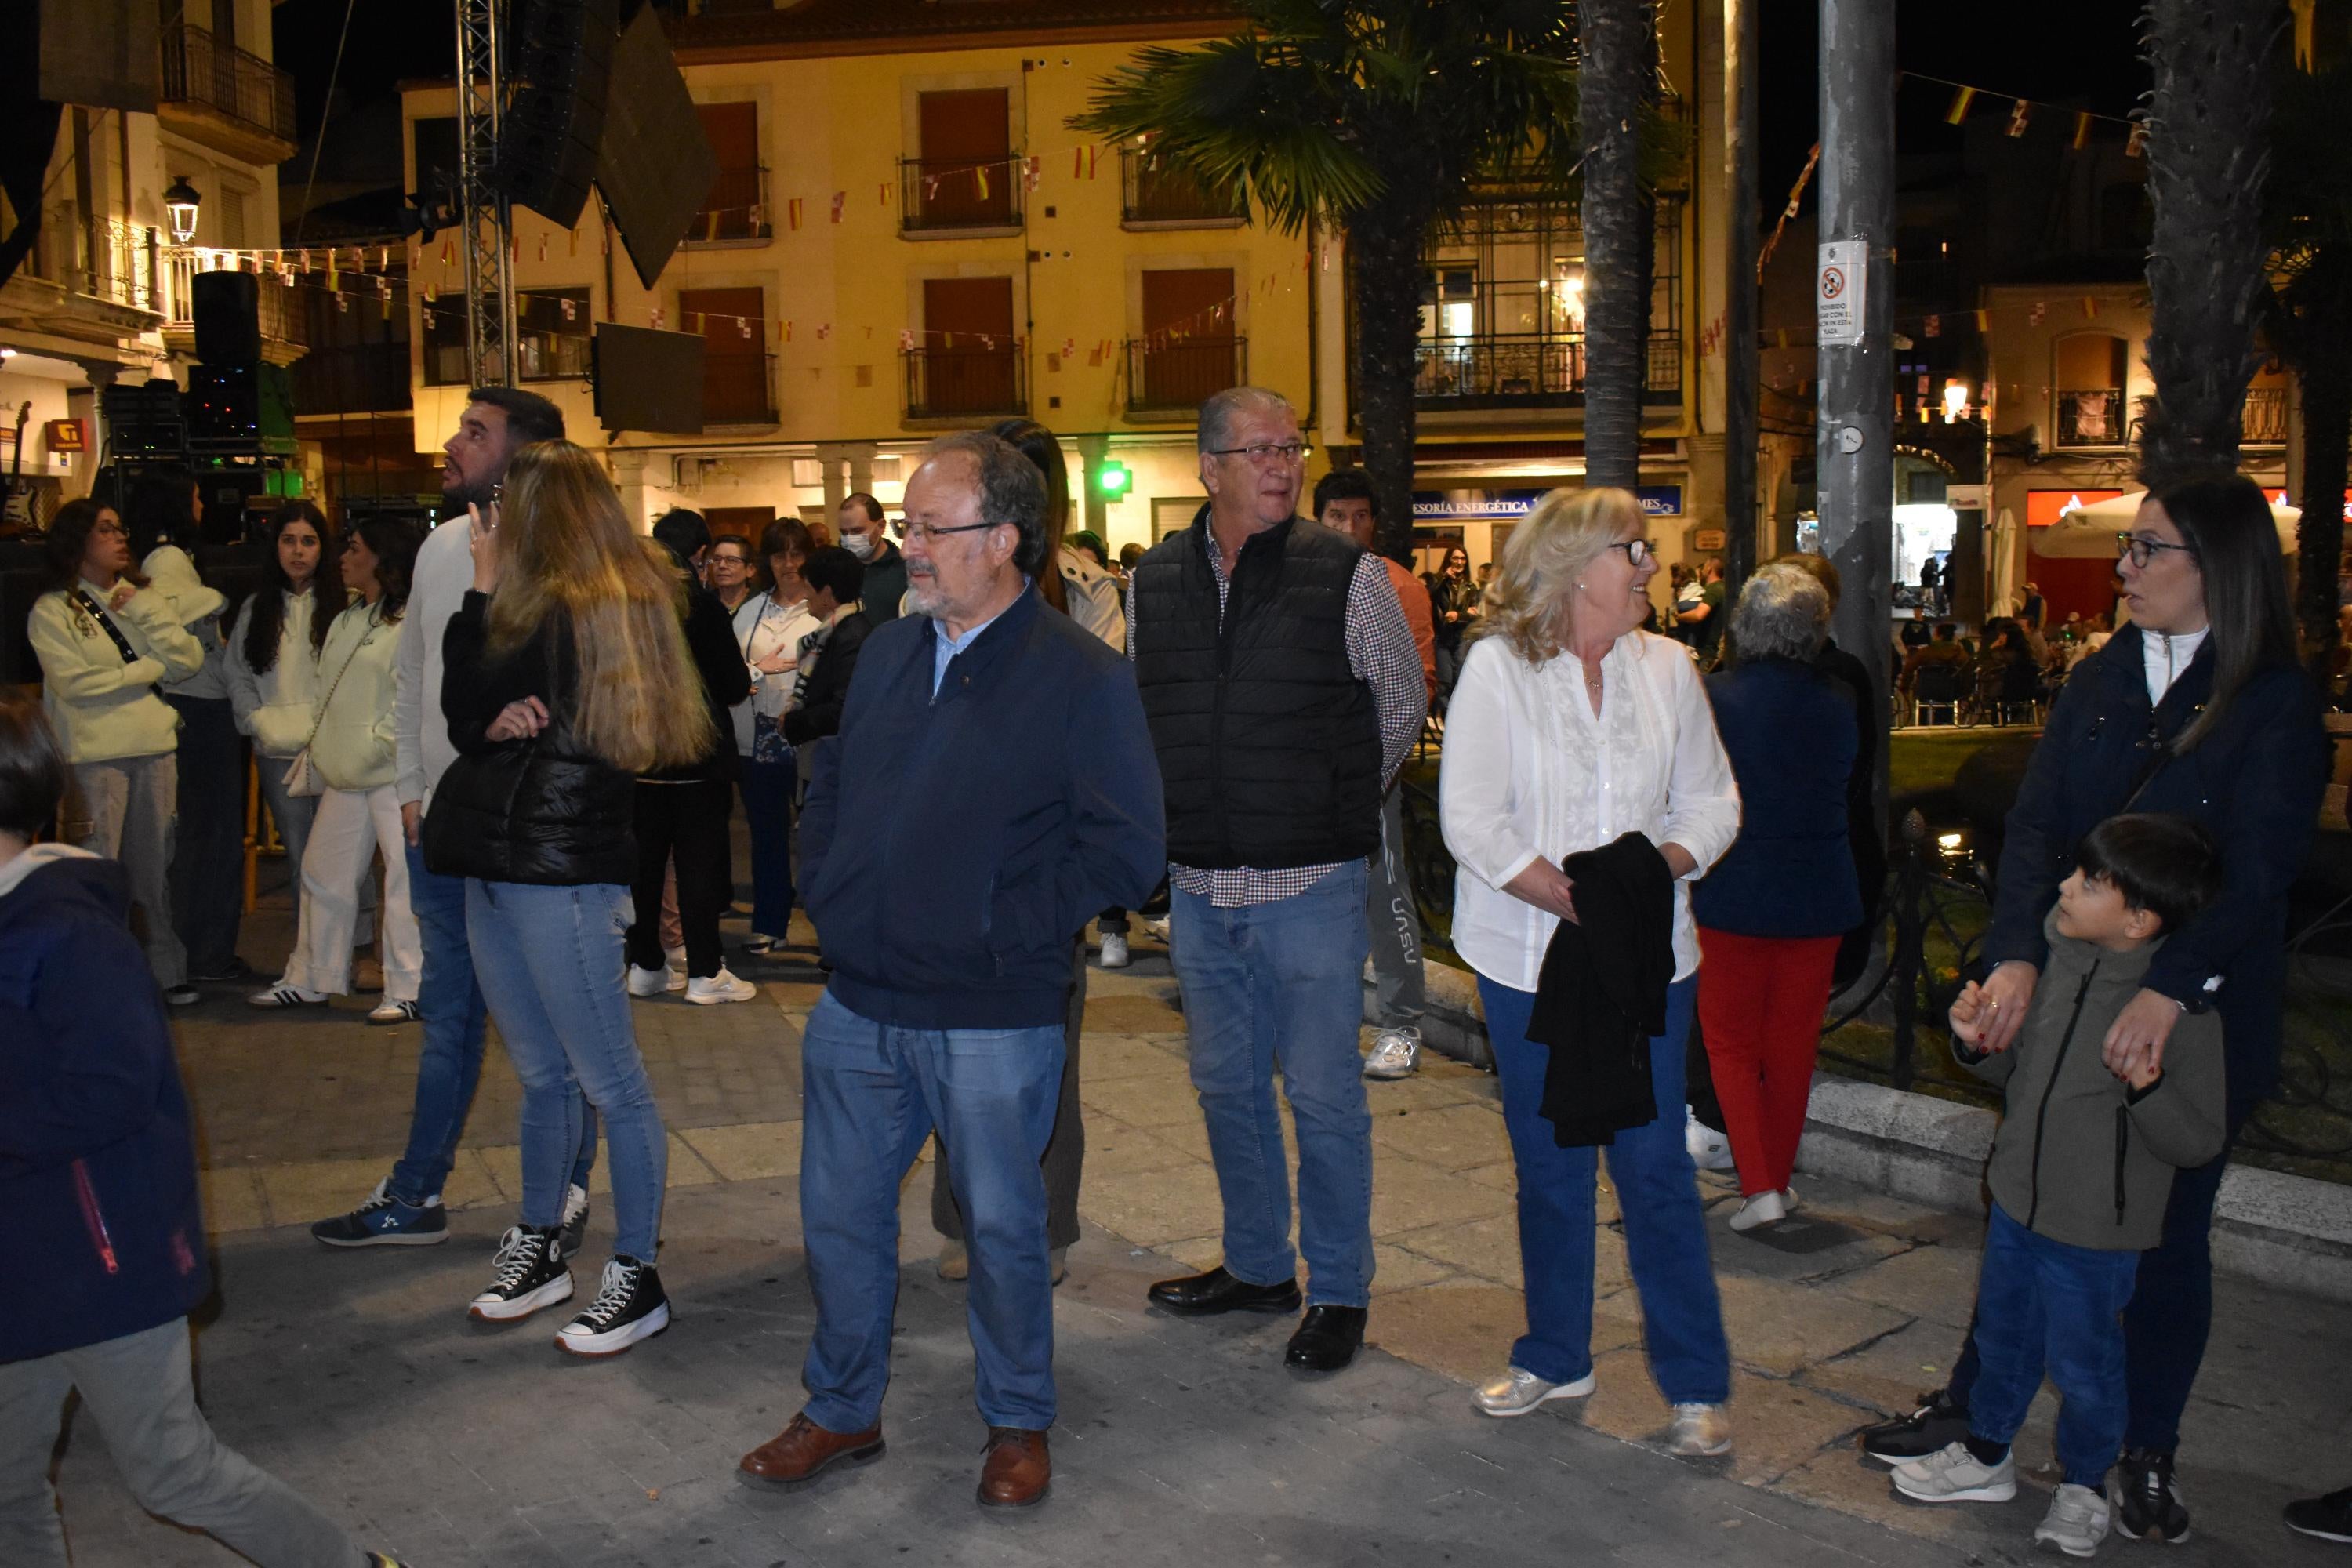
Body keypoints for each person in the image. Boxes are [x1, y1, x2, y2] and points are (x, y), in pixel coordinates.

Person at [1859, 474, 2330, 1544]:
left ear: (2218, 565)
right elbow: (2036, 831)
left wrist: (2170, 992)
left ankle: (2142, 1452)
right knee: (2023, 1209)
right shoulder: (2105, 676)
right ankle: (1978, 1418)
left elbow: (2258, 875)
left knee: (2167, 1243)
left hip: (2192, 1018)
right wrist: (2015, 958)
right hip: (2067, 1011)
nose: (2124, 568)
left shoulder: (2271, 700)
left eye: (2148, 549)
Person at [736, 434, 1163, 1508]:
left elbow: (1128, 851)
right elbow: (828, 781)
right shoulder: (882, 652)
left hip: (992, 1011)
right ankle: (840, 1407)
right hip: (858, 1001)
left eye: (933, 529)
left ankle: (1018, 1420)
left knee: (1006, 1231)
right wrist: (828, 888)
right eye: (908, 525)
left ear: (1005, 540)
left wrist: (998, 926)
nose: (906, 547)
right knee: (836, 1218)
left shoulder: (1083, 676)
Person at [0, 698, 402, 1568]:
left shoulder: (63, 932)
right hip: (22, 1255)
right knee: (4, 1487)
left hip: (102, 1263)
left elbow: (111, 1091)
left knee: (172, 1470)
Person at [1128, 387, 1425, 1374]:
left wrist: (1330, 803)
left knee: (1327, 1097)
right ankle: (1260, 1265)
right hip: (1203, 887)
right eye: (1258, 449)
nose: (1282, 465)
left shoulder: (1346, 573)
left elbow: (1399, 699)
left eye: (1290, 447)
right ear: (1208, 466)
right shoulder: (1156, 579)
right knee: (1225, 1088)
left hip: (1310, 886)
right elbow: (1149, 708)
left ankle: (1339, 1287)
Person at [1438, 485, 1740, 1453]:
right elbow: (1473, 820)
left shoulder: (1671, 666)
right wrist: (1577, 899)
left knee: (1654, 1167)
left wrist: (1647, 880)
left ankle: (1696, 1385)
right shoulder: (1497, 669)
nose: (1652, 567)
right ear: (1575, 569)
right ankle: (1556, 1356)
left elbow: (1714, 802)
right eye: (1636, 552)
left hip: (1651, 960)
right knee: (1552, 1166)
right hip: (1526, 960)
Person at [423, 439, 710, 1356]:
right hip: (503, 861)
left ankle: (636, 1271)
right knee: (546, 1076)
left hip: (560, 871)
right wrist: (486, 715)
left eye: (509, 498)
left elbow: (470, 689)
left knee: (608, 1080)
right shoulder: (580, 604)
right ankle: (541, 1244)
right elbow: (470, 714)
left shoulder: (583, 608)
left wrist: (480, 586)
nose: (494, 512)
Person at [309, 387, 597, 1254]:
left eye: (476, 432)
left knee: (556, 1034)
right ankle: (416, 1192)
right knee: (448, 1020)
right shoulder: (439, 547)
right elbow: (412, 677)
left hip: (532, 840)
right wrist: (407, 789)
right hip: (440, 828)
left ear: (527, 454)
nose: (452, 443)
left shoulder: (570, 556)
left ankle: (566, 1191)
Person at [1892, 817, 2224, 1559]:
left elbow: (2197, 1140)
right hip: (2016, 1203)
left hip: (2096, 1230)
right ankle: (1986, 1455)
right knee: (2003, 1340)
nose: (2066, 887)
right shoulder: (2055, 965)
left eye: (2089, 882)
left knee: (2086, 1364)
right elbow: (2020, 1074)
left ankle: (2082, 1482)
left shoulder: (2176, 1012)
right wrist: (1975, 1044)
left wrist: (2148, 1088)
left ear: (2138, 919)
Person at [924, 419, 1124, 1280]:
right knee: (946, 1056)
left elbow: (1101, 721)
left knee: (1043, 1061)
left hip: (1039, 869)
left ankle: (1037, 1230)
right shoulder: (927, 595)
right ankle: (964, 1222)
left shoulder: (1085, 596)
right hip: (950, 869)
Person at [1690, 565, 1859, 1229]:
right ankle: (1777, 1181)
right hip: (1818, 894)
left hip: (1733, 892)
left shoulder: (1713, 698)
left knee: (1730, 1045)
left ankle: (1759, 1186)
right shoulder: (1841, 699)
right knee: (1793, 1049)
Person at [26, 499, 205, 1005]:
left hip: (154, 748)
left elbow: (187, 659)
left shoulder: (138, 600)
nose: (120, 537)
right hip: (94, 755)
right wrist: (145, 671)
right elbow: (77, 683)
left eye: (121, 528)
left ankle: (164, 969)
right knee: (97, 867)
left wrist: (147, 614)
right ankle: (97, 978)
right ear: (78, 541)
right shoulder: (53, 610)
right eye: (105, 530)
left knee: (153, 868)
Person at [247, 517, 425, 1025]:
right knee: (322, 874)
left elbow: (410, 697)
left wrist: (379, 746)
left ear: (381, 559)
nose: (342, 558)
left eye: (354, 548)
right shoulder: (350, 617)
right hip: (347, 773)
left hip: (393, 775)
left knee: (402, 883)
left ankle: (409, 984)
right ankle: (311, 976)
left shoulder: (409, 622)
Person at [1312, 467, 1436, 1080]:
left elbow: (1418, 685)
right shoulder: (1296, 580)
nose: (1350, 528)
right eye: (1338, 516)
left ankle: (1402, 1024)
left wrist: (1374, 770)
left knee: (1385, 894)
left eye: (1361, 516)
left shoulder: (1400, 586)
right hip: (1304, 775)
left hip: (1369, 772)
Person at [626, 510, 757, 1004]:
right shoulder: (701, 609)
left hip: (641, 755)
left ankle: (645, 964)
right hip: (697, 757)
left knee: (645, 866)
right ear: (698, 555)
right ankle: (705, 972)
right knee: (699, 866)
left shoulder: (629, 608)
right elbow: (730, 685)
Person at [125, 467, 246, 985]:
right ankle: (208, 951)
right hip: (200, 707)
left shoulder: (155, 559)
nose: (202, 506)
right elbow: (177, 607)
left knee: (195, 835)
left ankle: (197, 948)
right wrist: (216, 600)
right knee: (212, 834)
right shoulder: (171, 559)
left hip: (183, 708)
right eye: (195, 497)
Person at [226, 503, 341, 935]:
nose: (298, 552)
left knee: (345, 856)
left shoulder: (342, 605)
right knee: (301, 857)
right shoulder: (257, 608)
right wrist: (257, 720)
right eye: (288, 540)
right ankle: (309, 956)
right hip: (277, 752)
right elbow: (235, 673)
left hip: (334, 751)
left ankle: (358, 952)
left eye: (308, 541)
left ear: (322, 549)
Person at [731, 518, 820, 957]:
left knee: (817, 835)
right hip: (759, 737)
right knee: (767, 834)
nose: (788, 564)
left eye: (797, 553)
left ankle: (828, 931)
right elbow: (732, 671)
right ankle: (770, 922)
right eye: (779, 554)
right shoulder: (750, 611)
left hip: (808, 737)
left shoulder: (821, 608)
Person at [779, 546, 873, 749]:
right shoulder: (835, 631)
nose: (804, 596)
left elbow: (845, 707)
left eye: (808, 588)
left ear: (827, 593)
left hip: (838, 755)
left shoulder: (851, 636)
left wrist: (794, 723)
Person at [838, 492, 907, 624]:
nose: (849, 538)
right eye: (844, 533)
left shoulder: (906, 570)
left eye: (857, 531)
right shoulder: (837, 570)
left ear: (881, 527)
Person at [1428, 543, 1479, 700]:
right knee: (1444, 681)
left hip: (1461, 638)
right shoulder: (1440, 582)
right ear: (1449, 560)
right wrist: (1444, 579)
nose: (1459, 562)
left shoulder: (1471, 587)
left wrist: (1459, 615)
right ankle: (1444, 719)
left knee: (1460, 679)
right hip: (1443, 637)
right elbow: (1430, 598)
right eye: (1456, 558)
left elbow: (1475, 614)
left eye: (1463, 558)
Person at [1675, 555, 1727, 665]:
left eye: (1704, 567)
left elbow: (1699, 615)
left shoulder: (1713, 590)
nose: (1702, 571)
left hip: (1704, 653)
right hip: (1710, 651)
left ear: (1709, 569)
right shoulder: (1723, 588)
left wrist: (1680, 616)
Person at [707, 533, 756, 615]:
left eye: (732, 560)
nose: (722, 565)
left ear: (750, 570)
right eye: (717, 559)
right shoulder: (704, 604)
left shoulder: (760, 604)